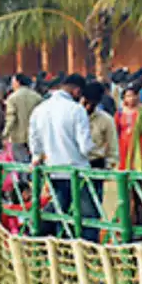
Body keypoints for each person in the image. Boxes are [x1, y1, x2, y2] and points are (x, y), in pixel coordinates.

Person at [28, 73, 94, 239]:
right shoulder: (77, 110)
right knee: (87, 217)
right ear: (77, 91)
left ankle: (41, 238)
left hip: (53, 169)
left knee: (58, 209)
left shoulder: (40, 109)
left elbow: (34, 142)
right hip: (77, 170)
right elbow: (85, 147)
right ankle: (88, 249)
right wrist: (98, 151)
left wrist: (37, 157)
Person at [116, 85, 142, 171]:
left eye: (133, 95)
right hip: (123, 145)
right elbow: (114, 130)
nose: (131, 98)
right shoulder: (119, 113)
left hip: (139, 145)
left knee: (138, 168)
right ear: (124, 98)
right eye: (128, 96)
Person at [3, 74, 42, 164]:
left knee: (21, 164)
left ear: (17, 83)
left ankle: (24, 178)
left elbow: (11, 119)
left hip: (18, 137)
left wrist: (5, 134)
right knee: (35, 162)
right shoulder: (37, 97)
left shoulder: (12, 98)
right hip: (35, 135)